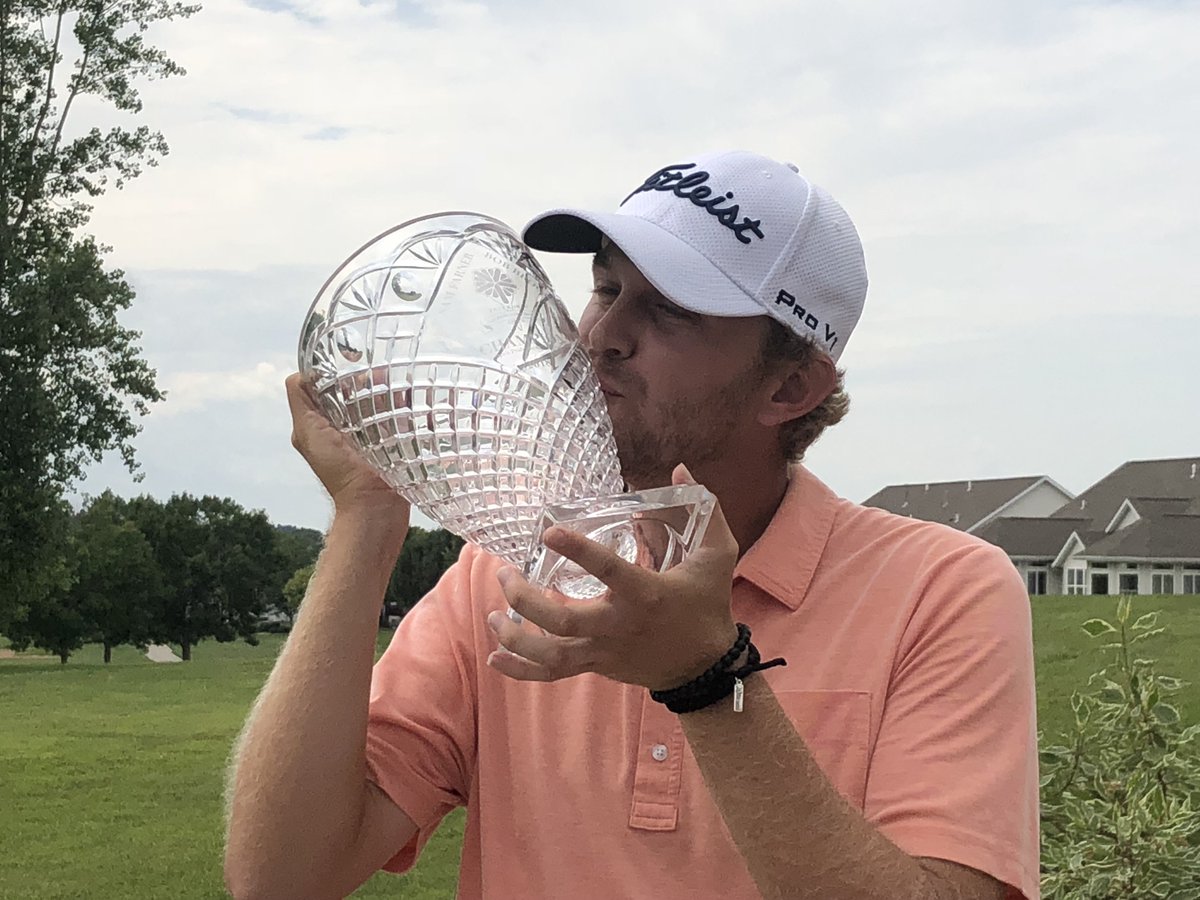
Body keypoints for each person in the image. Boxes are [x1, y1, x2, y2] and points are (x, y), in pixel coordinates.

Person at [224, 150, 1040, 900]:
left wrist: (706, 680)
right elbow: (284, 876)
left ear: (789, 388)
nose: (602, 338)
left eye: (672, 311)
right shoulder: (508, 570)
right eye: (605, 288)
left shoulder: (941, 590)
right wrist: (365, 522)